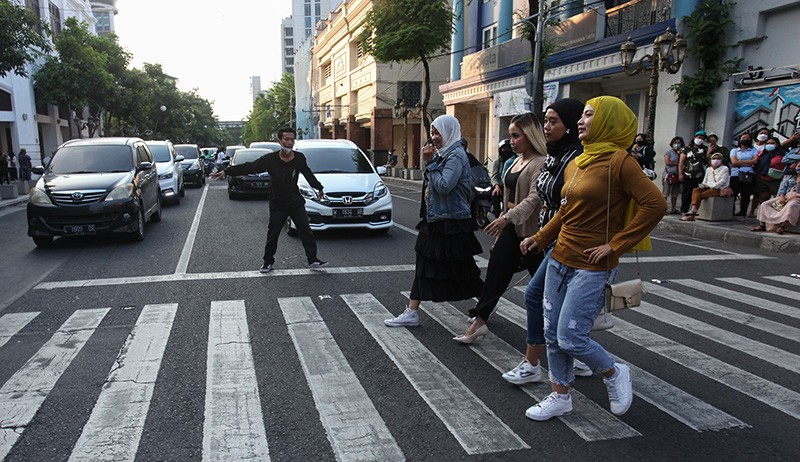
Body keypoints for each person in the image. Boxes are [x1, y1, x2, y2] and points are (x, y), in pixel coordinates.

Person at [519, 96, 666, 421]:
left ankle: (614, 372)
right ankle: (560, 395)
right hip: (559, 258)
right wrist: (539, 238)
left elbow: (655, 205)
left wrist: (616, 245)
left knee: (571, 337)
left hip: (593, 266)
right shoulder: (579, 161)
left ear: (608, 121)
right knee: (552, 333)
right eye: (582, 115)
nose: (581, 121)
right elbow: (566, 210)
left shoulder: (620, 162)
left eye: (589, 115)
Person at [498, 98, 595, 383]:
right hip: (550, 238)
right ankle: (574, 357)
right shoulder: (556, 154)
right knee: (552, 302)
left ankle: (535, 364)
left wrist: (615, 245)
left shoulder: (578, 158)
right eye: (546, 121)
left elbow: (569, 207)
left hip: (567, 241)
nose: (547, 127)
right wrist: (540, 237)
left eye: (554, 121)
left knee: (537, 297)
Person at [454, 112, 548, 343]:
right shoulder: (515, 161)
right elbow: (509, 196)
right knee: (495, 275)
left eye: (516, 136)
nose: (511, 141)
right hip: (510, 227)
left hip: (531, 233)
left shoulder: (540, 162)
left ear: (530, 136)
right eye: (511, 136)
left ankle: (561, 331)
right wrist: (504, 221)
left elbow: (534, 197)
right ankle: (479, 322)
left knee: (545, 286)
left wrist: (507, 218)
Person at [384, 115, 484, 327]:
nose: (434, 137)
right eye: (433, 133)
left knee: (463, 268)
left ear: (449, 132)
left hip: (451, 222)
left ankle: (485, 307)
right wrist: (432, 162)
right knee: (425, 264)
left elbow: (444, 186)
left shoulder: (456, 156)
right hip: (436, 221)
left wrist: (430, 163)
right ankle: (412, 311)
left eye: (438, 133)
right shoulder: (445, 154)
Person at [210, 127, 328, 272]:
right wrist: (227, 171)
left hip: (296, 203)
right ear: (279, 141)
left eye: (292, 140)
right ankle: (267, 262)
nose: (289, 143)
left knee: (306, 232)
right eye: (286, 139)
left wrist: (319, 187)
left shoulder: (299, 158)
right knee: (273, 235)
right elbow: (250, 167)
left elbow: (308, 173)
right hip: (278, 204)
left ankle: (313, 260)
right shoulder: (270, 160)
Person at [679, 152, 730, 221]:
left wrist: (711, 185)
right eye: (714, 158)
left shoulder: (724, 169)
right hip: (708, 187)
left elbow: (722, 182)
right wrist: (705, 185)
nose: (716, 160)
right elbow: (705, 181)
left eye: (718, 159)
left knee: (700, 195)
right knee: (696, 190)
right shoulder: (709, 169)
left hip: (719, 189)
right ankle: (693, 209)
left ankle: (693, 212)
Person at [753, 163, 800, 234]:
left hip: (796, 199)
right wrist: (781, 196)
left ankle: (782, 226)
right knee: (765, 204)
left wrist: (795, 195)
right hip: (785, 197)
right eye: (798, 166)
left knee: (791, 206)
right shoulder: (790, 176)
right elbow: (783, 187)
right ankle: (762, 225)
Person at [751, 136, 785, 217]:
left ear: (777, 144)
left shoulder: (782, 154)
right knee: (762, 196)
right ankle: (760, 213)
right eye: (768, 143)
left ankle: (777, 215)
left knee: (777, 198)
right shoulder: (763, 154)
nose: (770, 145)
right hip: (762, 178)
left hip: (775, 180)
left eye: (772, 143)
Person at [678, 130, 709, 214]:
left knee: (697, 192)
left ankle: (694, 210)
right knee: (686, 193)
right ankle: (684, 210)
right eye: (699, 137)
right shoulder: (686, 149)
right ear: (695, 137)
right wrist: (680, 173)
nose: (700, 139)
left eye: (702, 138)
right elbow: (681, 162)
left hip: (700, 175)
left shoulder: (705, 149)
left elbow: (707, 161)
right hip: (688, 174)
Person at [729, 132, 758, 217]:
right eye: (743, 138)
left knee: (745, 195)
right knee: (733, 193)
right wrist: (749, 162)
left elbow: (755, 161)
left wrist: (740, 162)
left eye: (747, 138)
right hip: (736, 174)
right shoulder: (734, 150)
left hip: (748, 174)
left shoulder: (753, 150)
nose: (745, 140)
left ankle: (743, 212)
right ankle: (731, 211)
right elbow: (734, 162)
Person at [490, 139, 515, 218]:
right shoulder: (497, 162)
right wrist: (496, 186)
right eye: (504, 149)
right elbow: (494, 176)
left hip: (511, 184)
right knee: (496, 194)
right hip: (501, 184)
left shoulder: (515, 160)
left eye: (508, 148)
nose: (506, 150)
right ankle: (496, 215)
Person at [662, 136, 684, 214]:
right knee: (666, 192)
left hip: (677, 174)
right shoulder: (668, 152)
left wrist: (680, 154)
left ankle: (673, 209)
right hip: (668, 174)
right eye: (675, 143)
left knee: (675, 193)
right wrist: (678, 163)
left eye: (679, 143)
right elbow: (667, 162)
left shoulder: (681, 153)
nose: (677, 144)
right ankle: (663, 209)